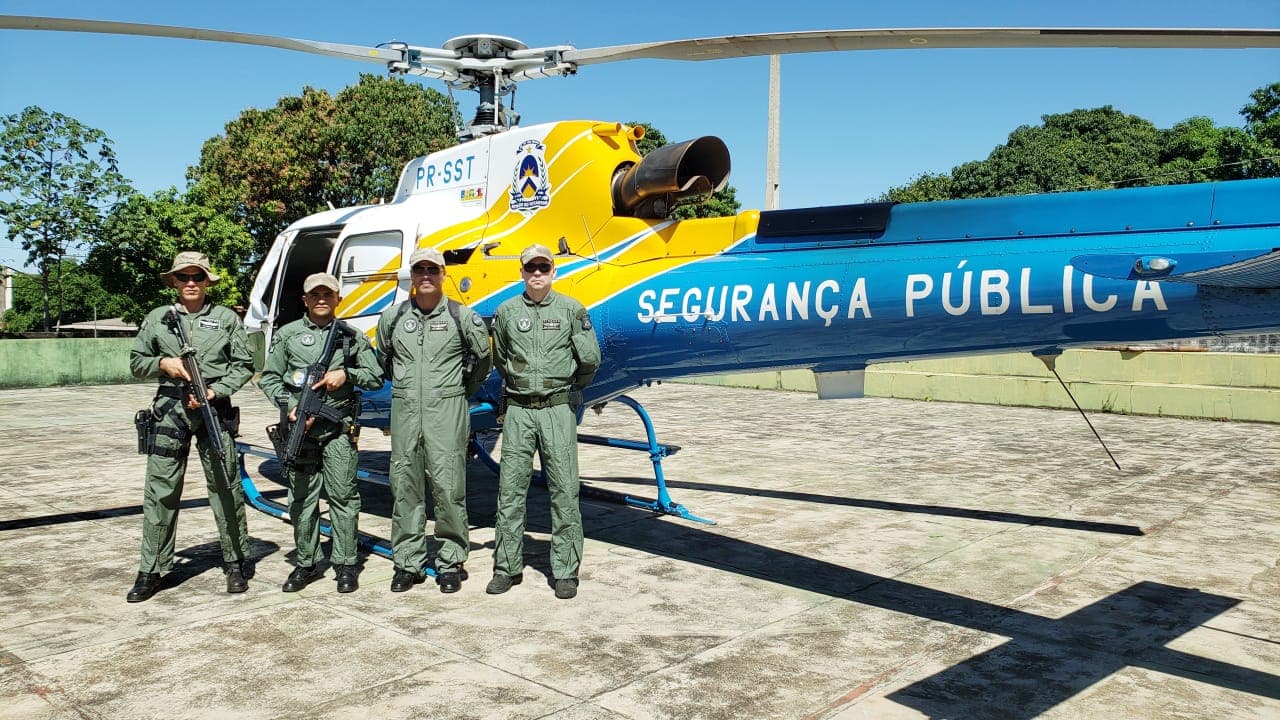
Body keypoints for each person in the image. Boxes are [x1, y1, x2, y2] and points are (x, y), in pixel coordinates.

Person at [126, 251, 255, 602]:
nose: (191, 283)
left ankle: (235, 562)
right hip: (170, 410)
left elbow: (244, 364)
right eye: (184, 277)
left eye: (198, 277)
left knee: (225, 485)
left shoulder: (226, 318)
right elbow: (137, 363)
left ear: (207, 280)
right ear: (175, 282)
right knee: (161, 490)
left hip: (214, 410)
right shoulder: (158, 318)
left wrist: (217, 390)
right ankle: (152, 569)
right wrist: (163, 363)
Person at [487, 244, 601, 600]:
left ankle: (566, 571)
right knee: (510, 490)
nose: (537, 273)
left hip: (556, 409)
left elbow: (589, 359)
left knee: (565, 490)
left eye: (543, 266)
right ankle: (506, 567)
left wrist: (564, 390)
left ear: (554, 271)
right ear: (521, 272)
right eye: (530, 267)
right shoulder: (506, 312)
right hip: (519, 410)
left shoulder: (571, 310)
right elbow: (501, 358)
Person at [376, 247, 492, 594]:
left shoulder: (462, 317)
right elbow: (383, 360)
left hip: (447, 412)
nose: (426, 275)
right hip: (406, 411)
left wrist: (457, 392)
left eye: (433, 269)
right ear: (412, 276)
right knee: (405, 488)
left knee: (448, 488)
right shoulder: (393, 318)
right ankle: (408, 562)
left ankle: (451, 561)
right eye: (419, 269)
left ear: (443, 274)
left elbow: (482, 360)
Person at [258, 273, 383, 594]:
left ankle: (345, 564)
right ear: (305, 300)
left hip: (337, 430)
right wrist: (288, 406)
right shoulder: (288, 335)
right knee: (301, 498)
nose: (321, 299)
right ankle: (306, 562)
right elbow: (270, 378)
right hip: (299, 430)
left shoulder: (350, 337)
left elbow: (374, 377)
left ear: (338, 298)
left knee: (344, 498)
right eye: (315, 294)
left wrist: (346, 373)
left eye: (328, 294)